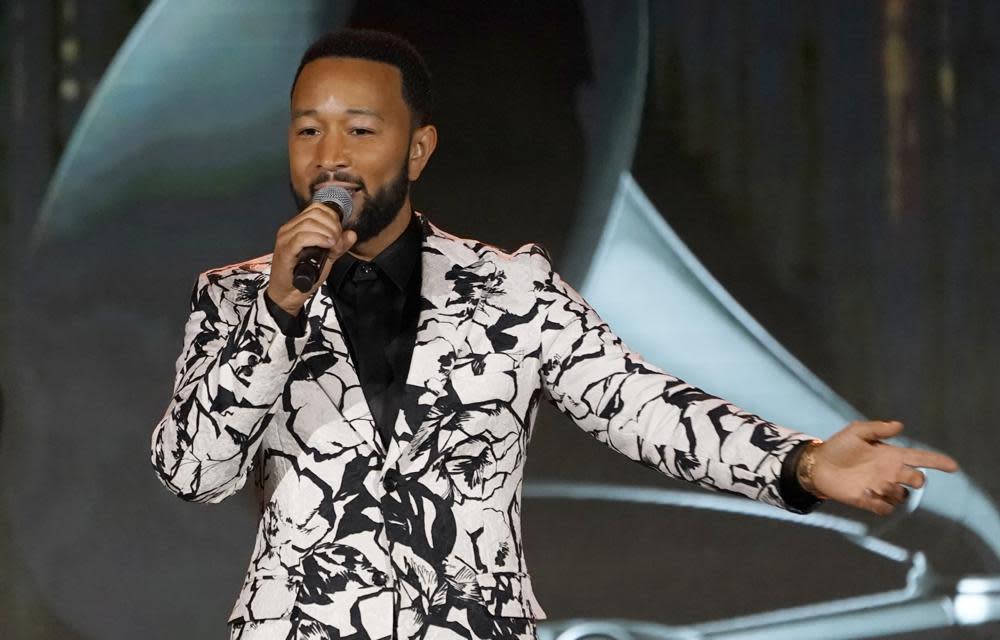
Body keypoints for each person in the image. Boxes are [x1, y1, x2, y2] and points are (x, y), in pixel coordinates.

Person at [150, 29, 958, 640]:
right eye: (307, 130)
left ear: (419, 147)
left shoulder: (514, 288)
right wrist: (279, 313)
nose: (331, 155)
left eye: (360, 130)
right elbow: (193, 473)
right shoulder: (235, 297)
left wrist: (805, 463)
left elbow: (641, 408)